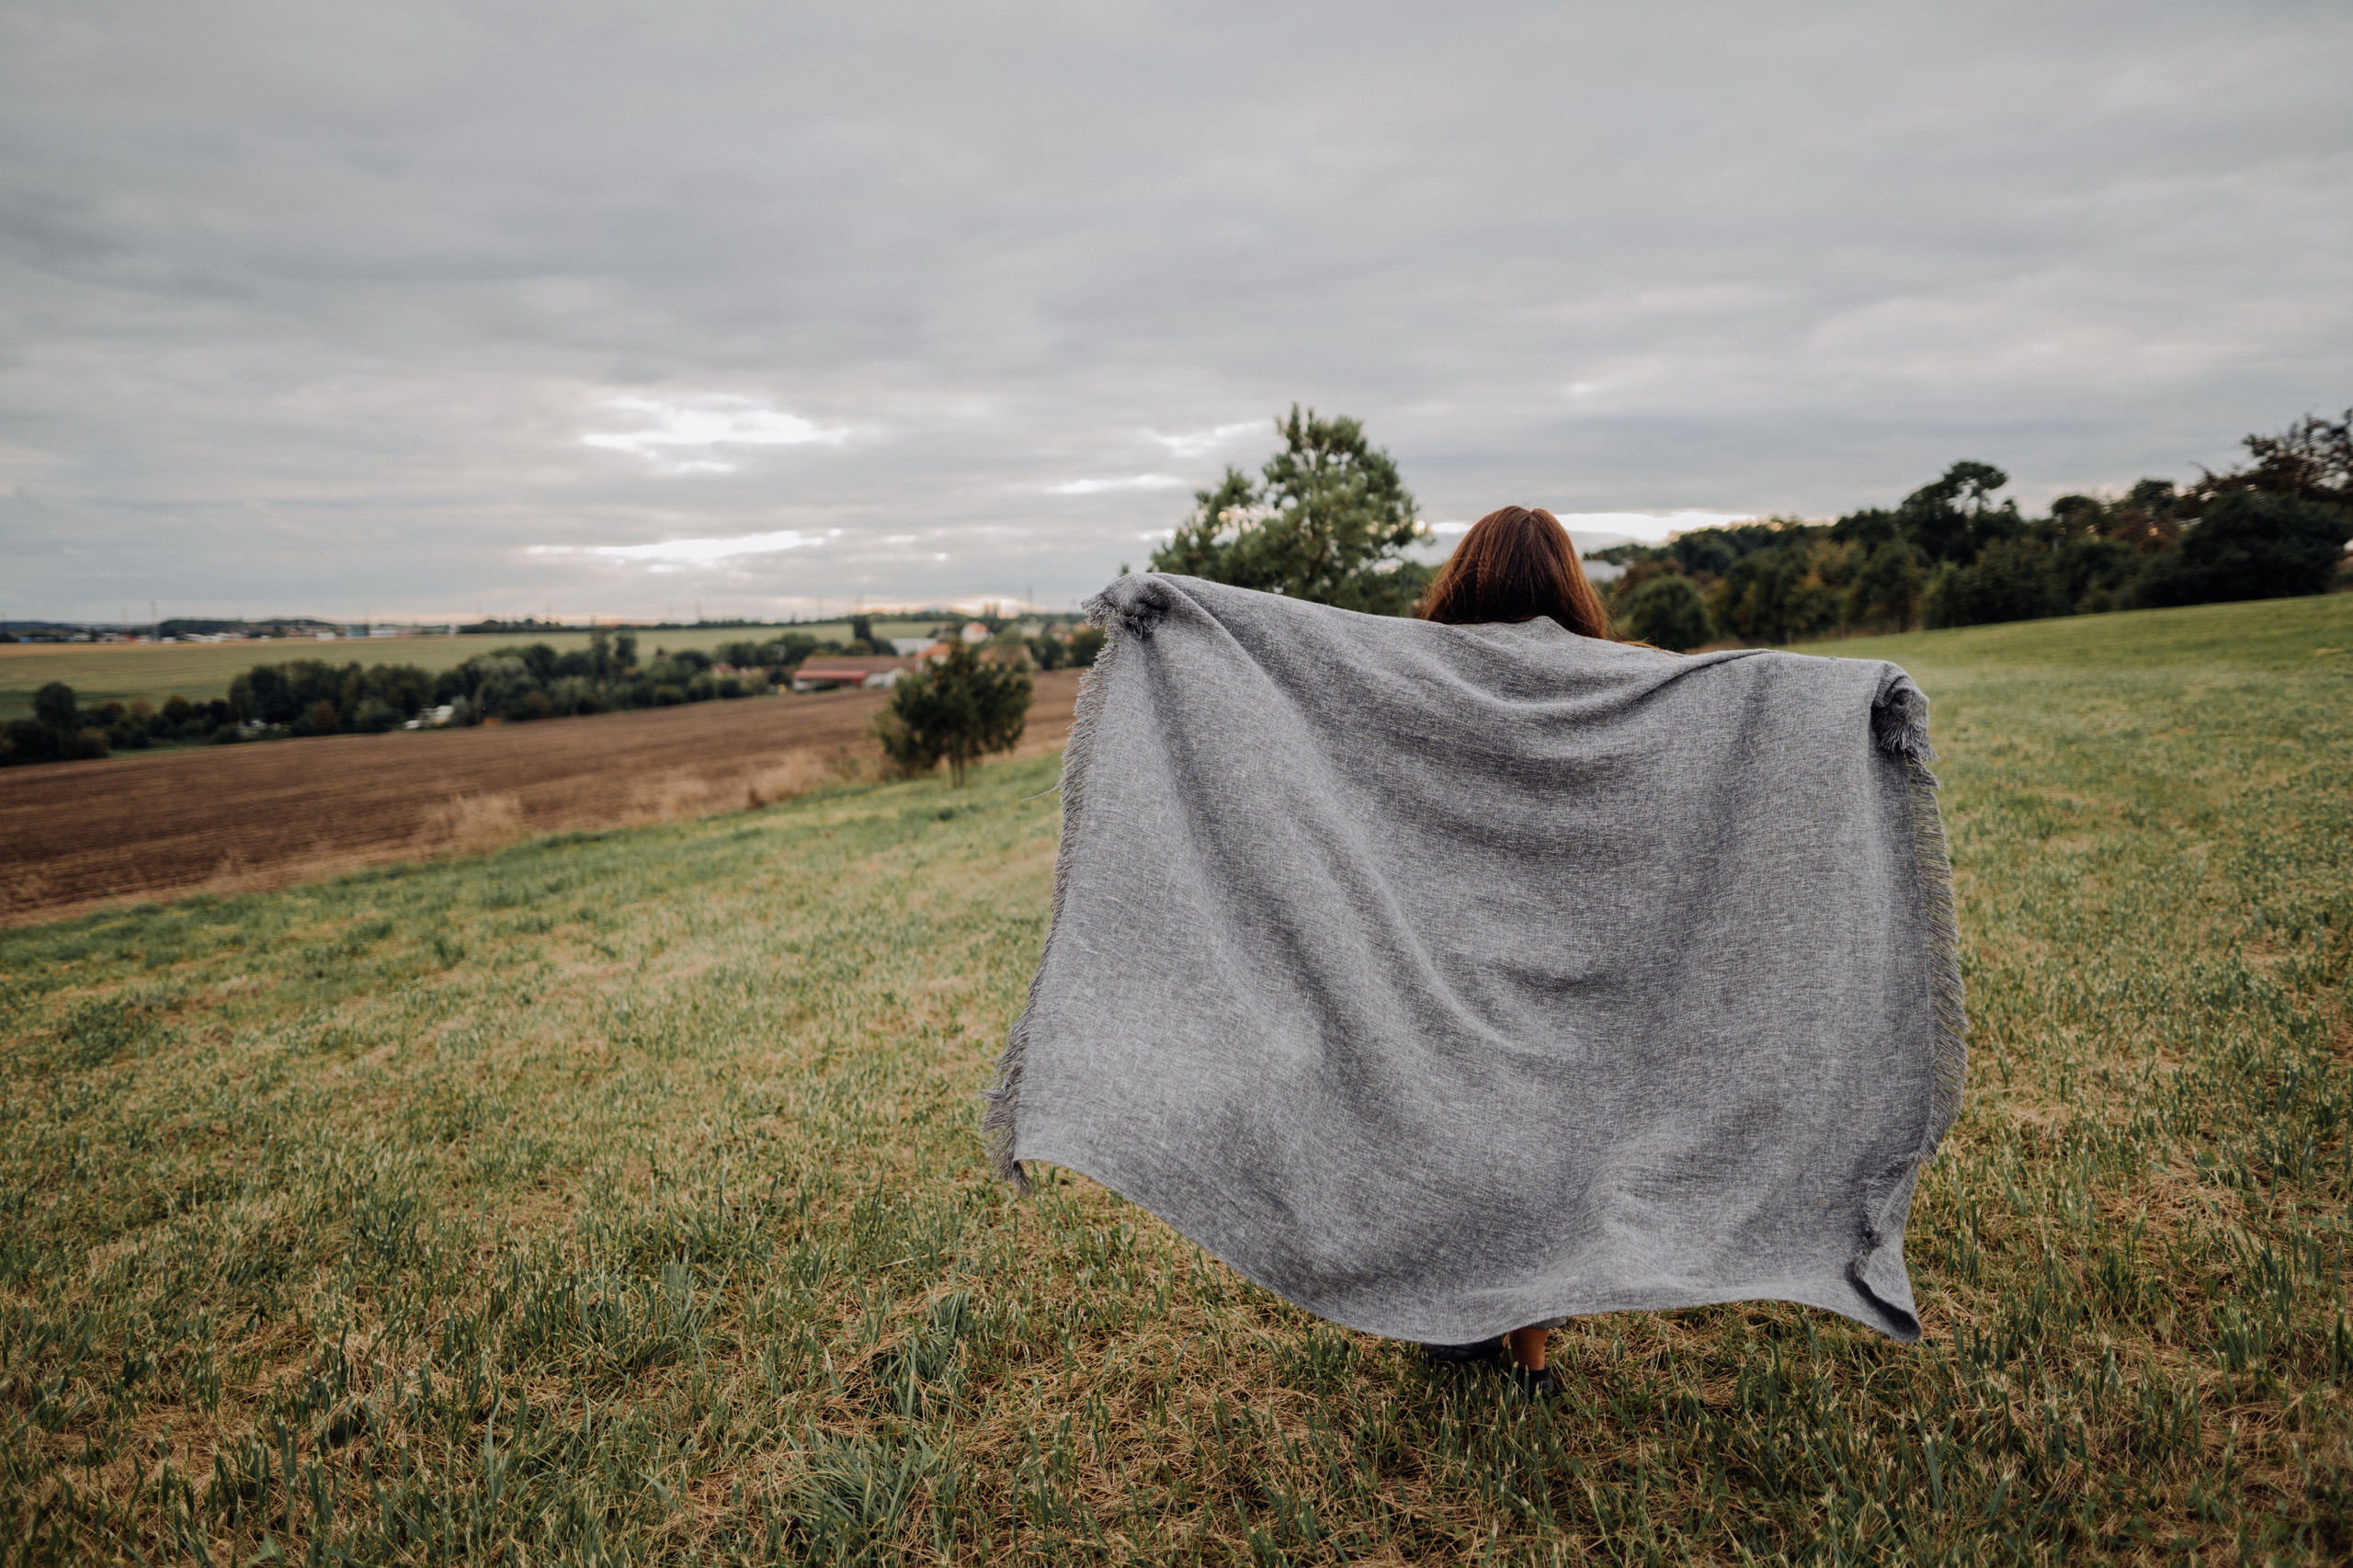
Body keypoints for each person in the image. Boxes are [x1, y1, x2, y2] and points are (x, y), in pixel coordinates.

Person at [1407, 503, 1619, 1397]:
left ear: (1465, 577)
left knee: (1458, 1135)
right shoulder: (1605, 680)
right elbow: (1726, 697)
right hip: (1568, 948)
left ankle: (1457, 1324)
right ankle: (1529, 1362)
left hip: (1451, 943)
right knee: (1543, 1148)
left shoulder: (1422, 675)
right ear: (1568, 582)